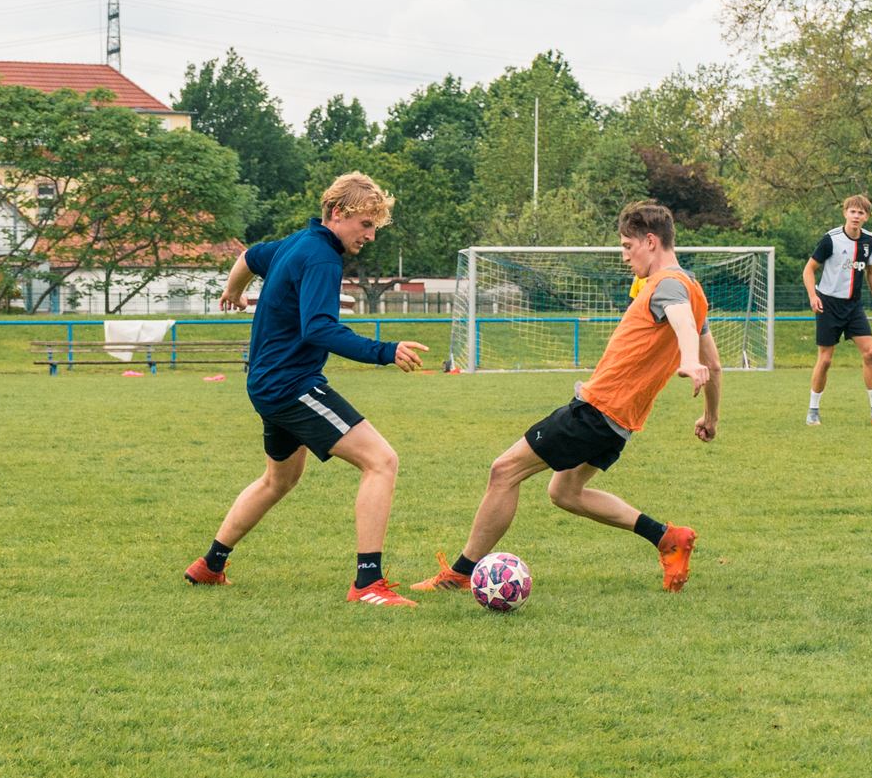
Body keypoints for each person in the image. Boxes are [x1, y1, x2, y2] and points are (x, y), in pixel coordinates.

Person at [409, 200, 721, 595]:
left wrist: (689, 360)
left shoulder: (670, 287)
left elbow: (680, 322)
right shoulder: (694, 290)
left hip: (596, 410)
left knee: (504, 471)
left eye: (628, 246)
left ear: (650, 241)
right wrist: (710, 416)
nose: (625, 256)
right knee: (564, 492)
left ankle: (458, 574)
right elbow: (717, 364)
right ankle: (666, 537)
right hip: (619, 422)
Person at [183, 172, 429, 605]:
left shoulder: (297, 242)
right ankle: (368, 584)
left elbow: (249, 256)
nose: (371, 235)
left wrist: (232, 290)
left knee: (278, 480)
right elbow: (319, 329)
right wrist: (384, 350)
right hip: (291, 385)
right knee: (382, 461)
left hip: (266, 383)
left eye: (374, 226)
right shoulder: (321, 257)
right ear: (337, 213)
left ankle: (209, 565)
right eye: (366, 224)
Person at [803, 195, 872, 425]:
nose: (856, 216)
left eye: (861, 213)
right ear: (845, 213)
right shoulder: (831, 239)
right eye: (853, 212)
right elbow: (809, 270)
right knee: (825, 360)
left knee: (870, 353)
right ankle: (813, 410)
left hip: (854, 306)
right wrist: (812, 296)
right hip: (828, 304)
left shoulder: (869, 240)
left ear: (867, 217)